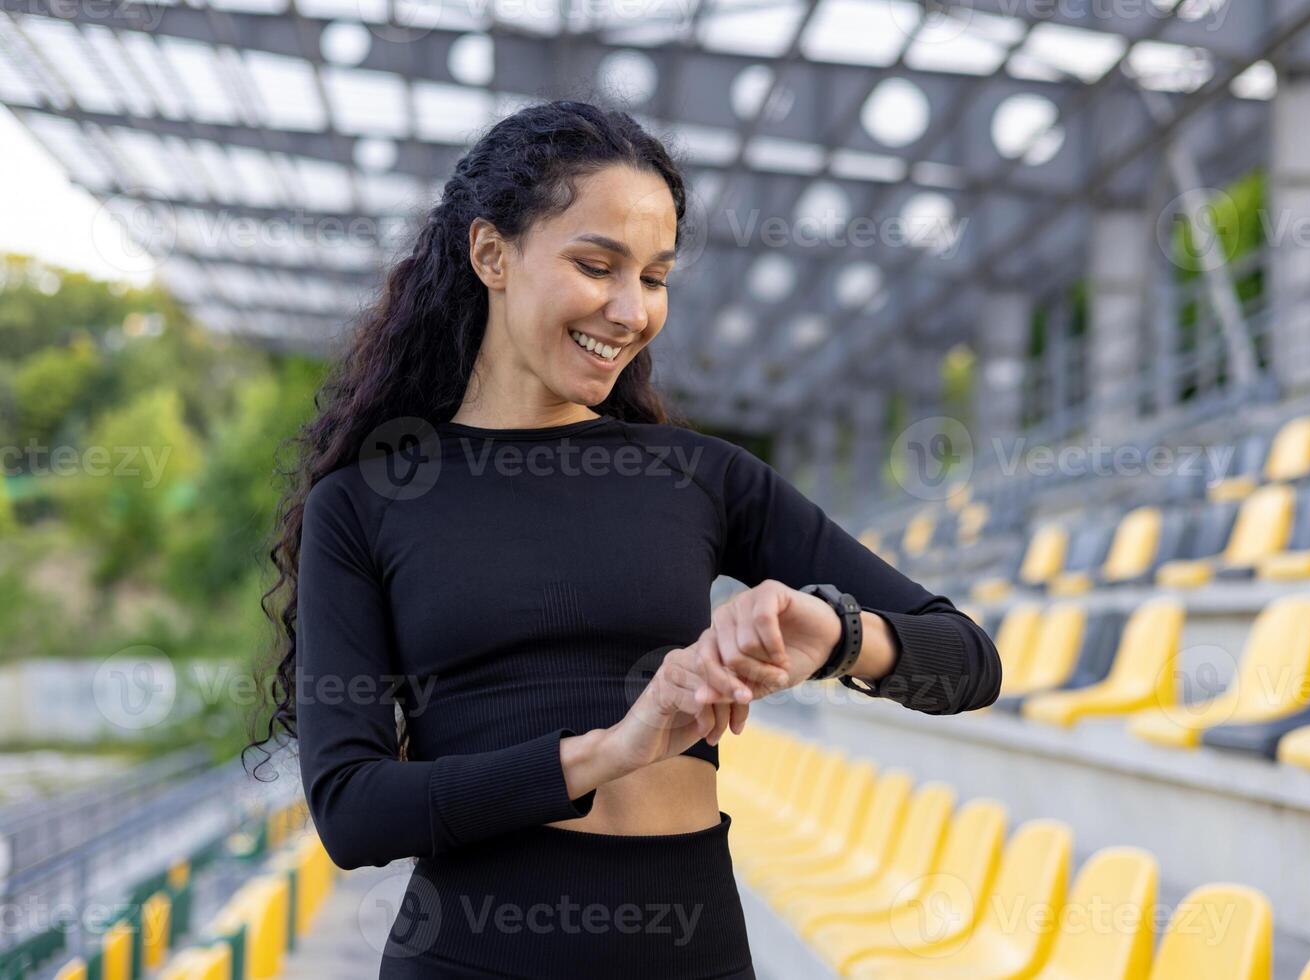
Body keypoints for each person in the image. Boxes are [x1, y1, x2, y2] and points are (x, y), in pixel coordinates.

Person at [248, 99, 1002, 979]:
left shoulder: (697, 477)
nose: (629, 309)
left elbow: (968, 664)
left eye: (654, 276)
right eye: (596, 265)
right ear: (491, 253)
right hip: (471, 958)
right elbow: (352, 809)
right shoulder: (369, 499)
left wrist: (838, 636)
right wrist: (615, 748)